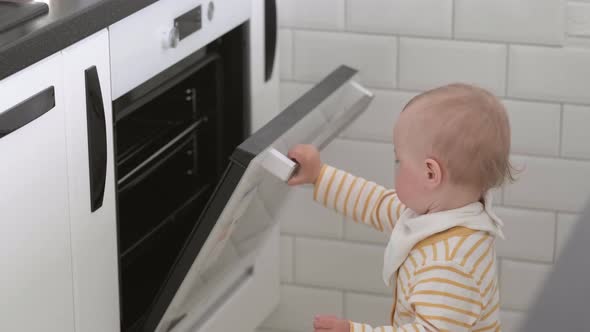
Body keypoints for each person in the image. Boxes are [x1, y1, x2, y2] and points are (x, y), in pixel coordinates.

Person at [287, 83, 513, 332]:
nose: (395, 166)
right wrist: (319, 175)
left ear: (430, 174)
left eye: (398, 159)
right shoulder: (438, 215)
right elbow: (375, 203)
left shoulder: (451, 264)